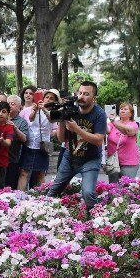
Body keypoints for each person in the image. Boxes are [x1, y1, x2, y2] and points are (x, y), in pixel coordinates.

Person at [48, 81, 108, 209]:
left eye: (86, 94)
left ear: (94, 98)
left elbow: (98, 140)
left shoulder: (99, 114)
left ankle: (95, 220)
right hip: (69, 158)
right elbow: (61, 139)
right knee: (52, 193)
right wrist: (62, 121)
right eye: (80, 93)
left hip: (90, 160)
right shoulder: (71, 109)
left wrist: (77, 129)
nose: (81, 97)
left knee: (88, 193)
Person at [17, 89, 59, 192]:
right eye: (46, 97)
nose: (48, 99)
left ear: (55, 101)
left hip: (43, 146)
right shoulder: (34, 107)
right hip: (30, 143)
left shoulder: (55, 111)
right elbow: (31, 119)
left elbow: (52, 120)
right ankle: (19, 196)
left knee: (40, 173)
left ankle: (41, 198)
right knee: (24, 172)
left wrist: (44, 109)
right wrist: (35, 110)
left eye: (51, 98)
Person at [106, 102, 140, 182]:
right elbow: (107, 130)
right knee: (112, 187)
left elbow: (128, 130)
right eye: (121, 109)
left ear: (131, 113)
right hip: (113, 161)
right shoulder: (112, 123)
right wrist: (101, 118)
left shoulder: (134, 124)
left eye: (125, 109)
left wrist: (114, 121)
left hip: (129, 162)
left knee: (126, 187)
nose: (122, 110)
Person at [5, 94, 29, 189]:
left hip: (12, 160)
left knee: (10, 186)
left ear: (19, 107)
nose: (10, 106)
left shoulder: (22, 122)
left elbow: (24, 139)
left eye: (13, 104)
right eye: (8, 103)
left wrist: (15, 128)